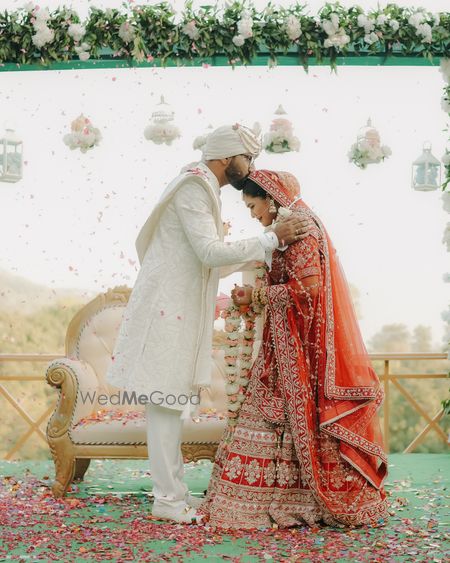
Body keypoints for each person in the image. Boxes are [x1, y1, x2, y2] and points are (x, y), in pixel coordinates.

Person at [106, 126, 311, 524]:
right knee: (164, 405)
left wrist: (268, 250)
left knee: (169, 404)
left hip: (176, 311)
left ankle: (173, 495)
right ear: (226, 158)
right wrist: (270, 238)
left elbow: (208, 263)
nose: (251, 167)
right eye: (247, 158)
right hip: (166, 312)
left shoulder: (204, 188)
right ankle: (168, 500)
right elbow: (209, 252)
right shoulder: (193, 188)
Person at [200, 170, 388, 529]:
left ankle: (282, 499)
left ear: (271, 199)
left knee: (285, 413)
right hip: (286, 343)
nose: (252, 214)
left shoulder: (300, 227)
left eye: (253, 206)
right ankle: (267, 496)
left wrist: (256, 295)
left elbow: (309, 289)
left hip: (300, 351)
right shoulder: (290, 225)